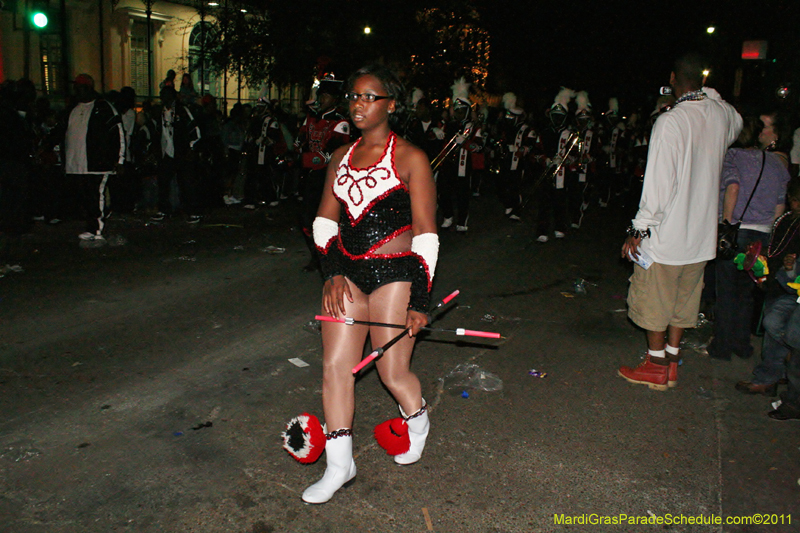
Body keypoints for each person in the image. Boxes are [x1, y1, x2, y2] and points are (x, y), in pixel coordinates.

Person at [304, 64, 438, 504]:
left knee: (391, 371)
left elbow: (426, 234)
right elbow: (325, 221)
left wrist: (420, 299)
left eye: (369, 97)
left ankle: (416, 419)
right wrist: (333, 270)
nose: (358, 104)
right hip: (346, 273)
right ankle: (340, 464)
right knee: (335, 368)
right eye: (354, 97)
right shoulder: (340, 156)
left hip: (396, 274)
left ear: (390, 105)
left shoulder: (411, 158)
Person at [619, 53, 742, 391]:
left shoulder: (670, 122)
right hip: (701, 237)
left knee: (655, 302)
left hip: (668, 236)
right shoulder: (719, 116)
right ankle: (672, 364)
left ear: (672, 79)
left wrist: (639, 228)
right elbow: (737, 120)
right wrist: (711, 95)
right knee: (683, 303)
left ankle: (655, 366)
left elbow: (658, 184)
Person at [708, 115, 791, 361]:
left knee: (726, 291)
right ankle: (741, 344)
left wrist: (727, 224)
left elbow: (732, 188)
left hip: (739, 230)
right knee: (746, 293)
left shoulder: (734, 157)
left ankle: (721, 346)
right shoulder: (777, 164)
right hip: (762, 234)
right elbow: (779, 205)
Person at [735, 178, 800, 395]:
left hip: (792, 288)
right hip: (783, 285)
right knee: (773, 323)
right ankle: (770, 376)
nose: (796, 205)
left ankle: (784, 367)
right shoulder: (787, 220)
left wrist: (790, 270)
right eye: (794, 200)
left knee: (785, 328)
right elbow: (776, 251)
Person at [295, 76, 351, 272]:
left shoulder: (340, 123)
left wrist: (304, 160)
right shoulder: (312, 117)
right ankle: (316, 255)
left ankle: (331, 256)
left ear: (334, 99)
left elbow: (331, 154)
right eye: (321, 95)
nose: (322, 99)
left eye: (326, 96)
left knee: (327, 219)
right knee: (305, 218)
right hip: (309, 175)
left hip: (328, 176)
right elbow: (300, 139)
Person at [64, 74, 125, 242]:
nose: (76, 91)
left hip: (98, 162)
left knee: (95, 194)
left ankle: (95, 228)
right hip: (76, 163)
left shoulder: (104, 107)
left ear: (89, 88)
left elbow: (118, 133)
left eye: (80, 88)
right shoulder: (73, 109)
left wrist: (120, 160)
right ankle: (99, 216)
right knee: (85, 196)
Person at [151, 86, 201, 223]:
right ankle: (164, 209)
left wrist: (191, 148)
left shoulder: (182, 111)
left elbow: (195, 130)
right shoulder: (160, 112)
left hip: (181, 153)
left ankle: (192, 211)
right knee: (163, 183)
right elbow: (157, 133)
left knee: (186, 183)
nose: (163, 99)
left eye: (166, 96)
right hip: (166, 152)